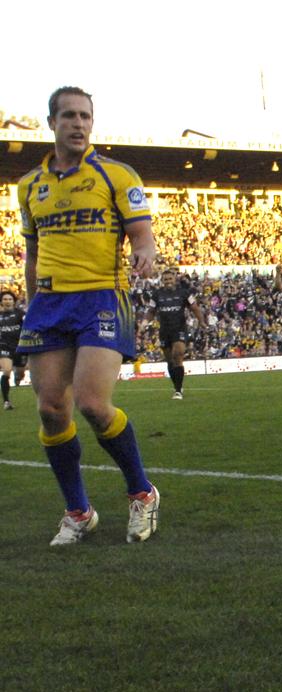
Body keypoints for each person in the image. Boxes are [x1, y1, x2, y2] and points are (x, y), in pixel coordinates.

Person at [15, 86, 160, 545]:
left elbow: (142, 233)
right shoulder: (29, 186)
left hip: (100, 296)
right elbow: (32, 252)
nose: (78, 124)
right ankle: (78, 511)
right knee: (51, 408)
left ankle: (142, 493)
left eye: (85, 117)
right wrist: (31, 299)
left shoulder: (116, 174)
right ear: (52, 122)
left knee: (94, 405)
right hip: (49, 304)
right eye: (69, 116)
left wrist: (145, 252)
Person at [143, 269, 206, 399]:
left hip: (179, 329)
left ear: (174, 279)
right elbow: (151, 311)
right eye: (165, 279)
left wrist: (202, 322)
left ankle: (178, 391)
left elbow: (194, 308)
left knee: (177, 354)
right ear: (162, 281)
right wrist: (144, 322)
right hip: (164, 331)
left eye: (170, 279)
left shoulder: (184, 292)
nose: (168, 282)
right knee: (170, 360)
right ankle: (177, 385)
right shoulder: (157, 294)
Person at [0, 289, 26, 410]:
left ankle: (17, 378)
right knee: (6, 370)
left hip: (19, 347)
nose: (7, 301)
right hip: (4, 346)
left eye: (10, 299)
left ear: (13, 301)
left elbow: (27, 326)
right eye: (5, 299)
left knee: (20, 373)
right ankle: (6, 401)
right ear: (1, 301)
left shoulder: (20, 314)